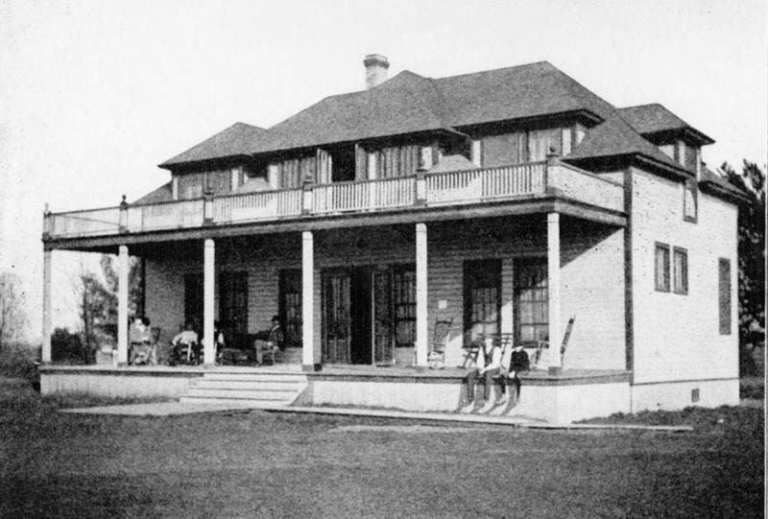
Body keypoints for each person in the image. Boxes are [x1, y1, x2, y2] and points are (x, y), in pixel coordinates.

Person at [465, 336, 503, 405]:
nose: (486, 342)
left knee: (488, 375)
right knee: (470, 375)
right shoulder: (482, 349)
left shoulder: (497, 349)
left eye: (488, 340)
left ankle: (486, 398)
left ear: (491, 341)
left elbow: (495, 363)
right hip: (484, 368)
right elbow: (480, 360)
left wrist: (485, 369)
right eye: (485, 340)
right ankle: (470, 397)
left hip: (494, 368)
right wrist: (480, 368)